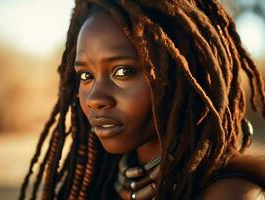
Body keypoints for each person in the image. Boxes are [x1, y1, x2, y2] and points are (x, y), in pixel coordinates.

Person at [19, 0, 265, 199]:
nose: (95, 99)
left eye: (123, 71)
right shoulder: (96, 186)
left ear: (185, 74)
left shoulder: (229, 194)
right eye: (86, 75)